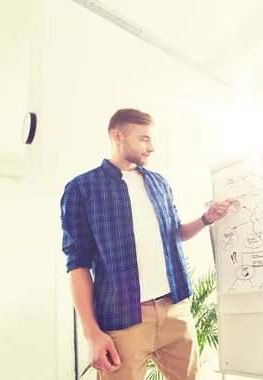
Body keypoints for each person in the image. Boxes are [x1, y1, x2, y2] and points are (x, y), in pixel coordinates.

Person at [60, 108, 231, 380]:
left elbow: (175, 235)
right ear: (118, 136)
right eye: (143, 139)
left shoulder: (159, 183)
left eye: (152, 139)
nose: (151, 148)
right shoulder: (82, 188)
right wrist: (92, 333)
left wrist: (206, 219)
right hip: (122, 320)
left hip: (175, 310)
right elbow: (77, 264)